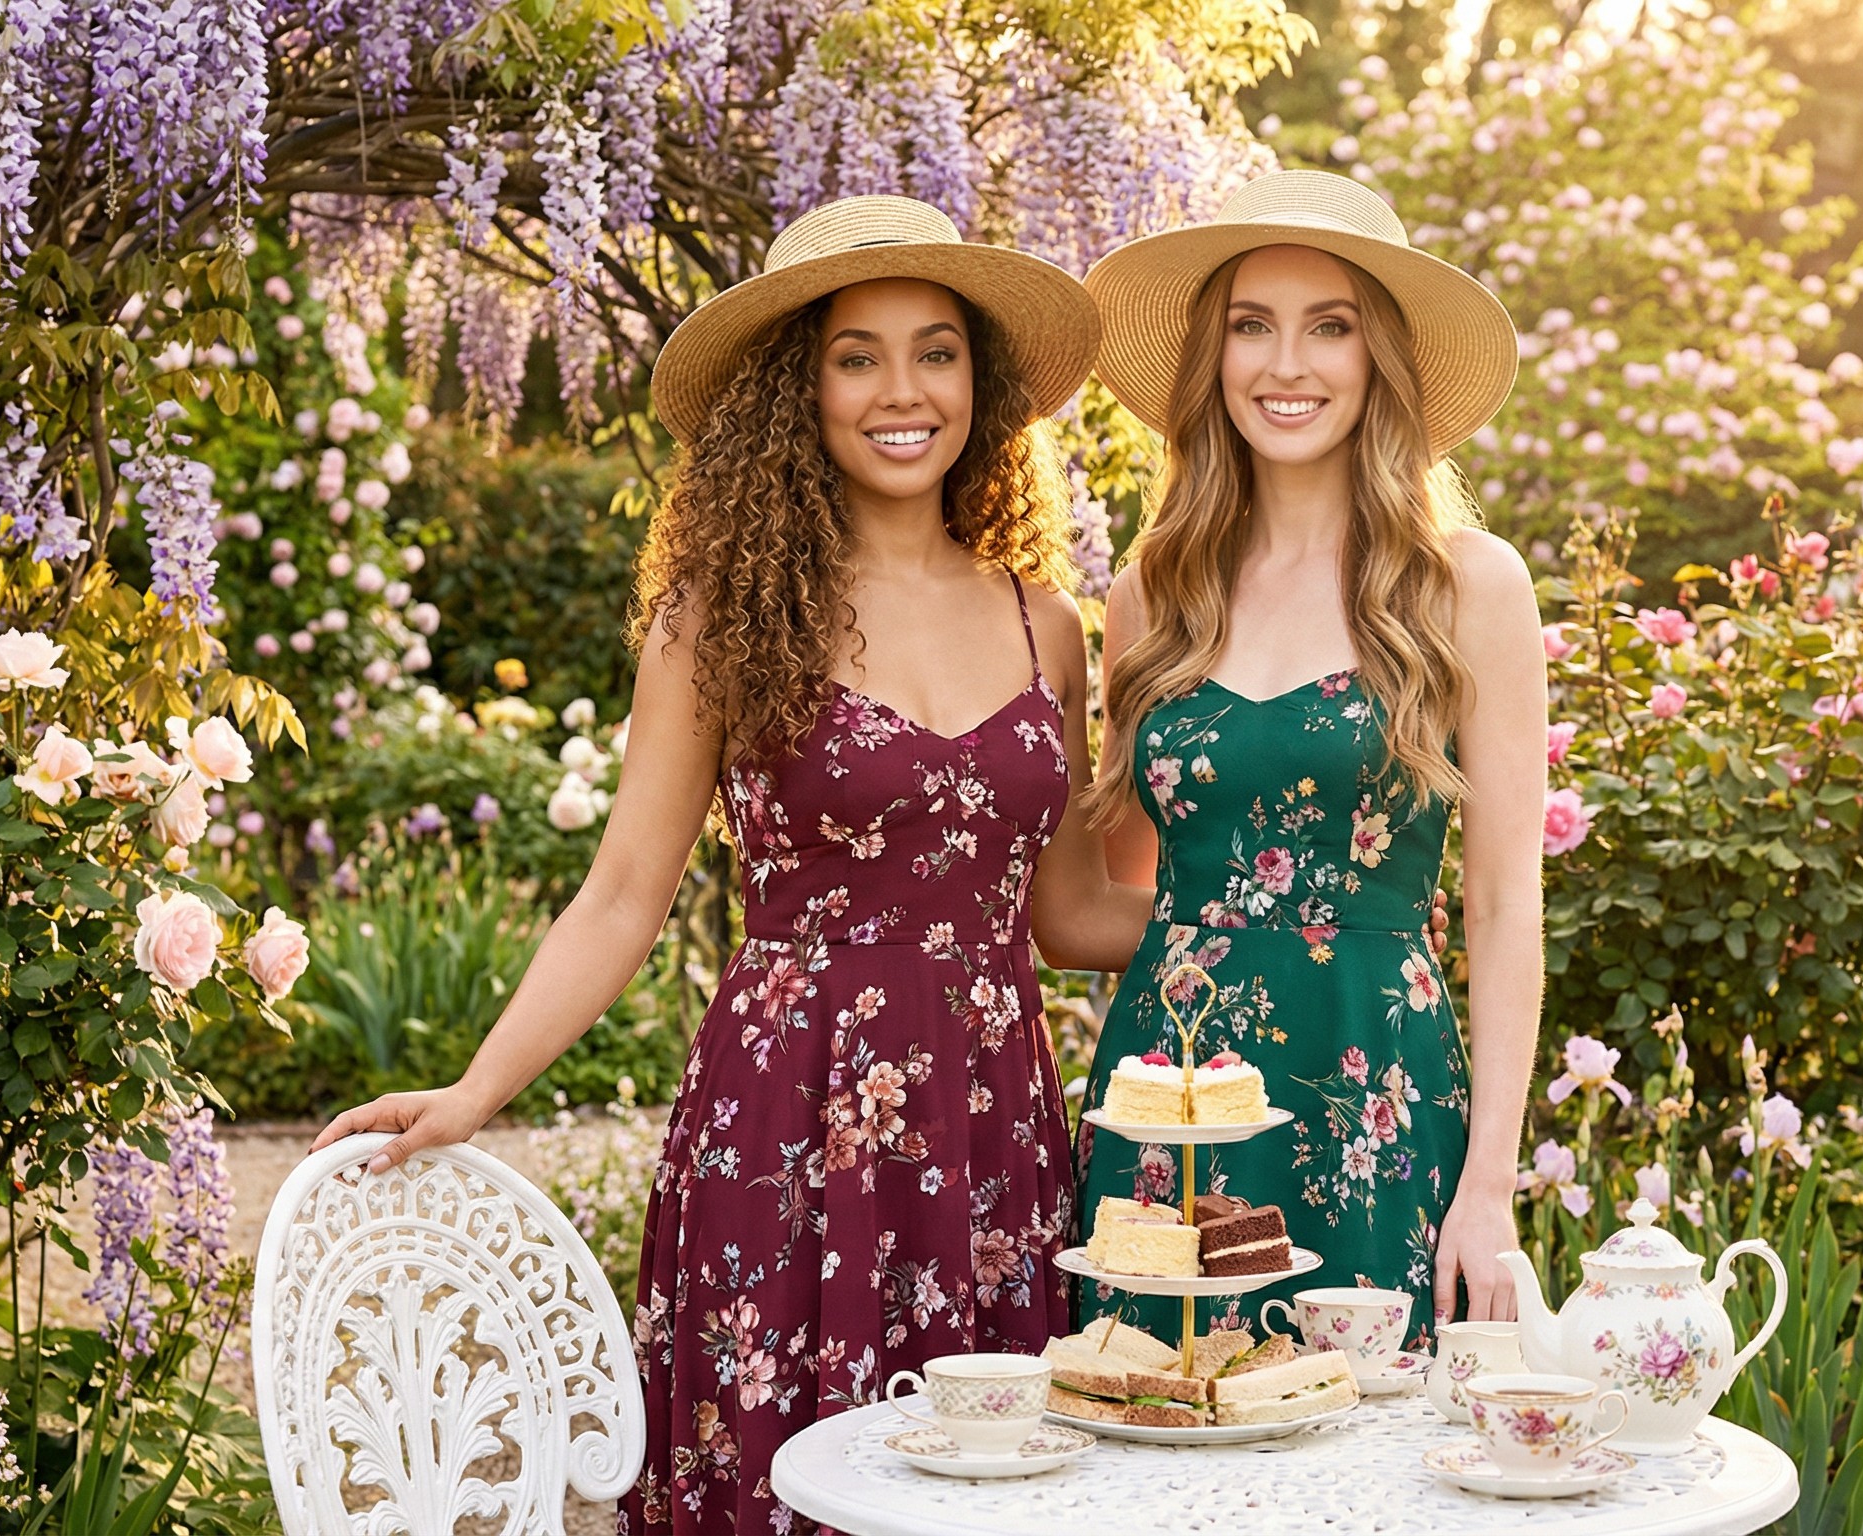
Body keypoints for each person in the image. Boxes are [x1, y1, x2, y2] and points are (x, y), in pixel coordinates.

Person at [312, 194, 1149, 1536]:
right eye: (856, 356)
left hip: (990, 1124)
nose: (903, 391)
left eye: (936, 352)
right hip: (788, 1120)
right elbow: (622, 894)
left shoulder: (1044, 621)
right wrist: (475, 1091)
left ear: (980, 386)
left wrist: (1276, 918)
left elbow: (1068, 912)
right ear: (795, 391)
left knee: (993, 1488)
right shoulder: (723, 616)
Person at [1071, 169, 1543, 1352]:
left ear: (1379, 357)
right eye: (1251, 326)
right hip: (1171, 1102)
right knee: (1151, 1414)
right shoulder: (1152, 596)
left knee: (1372, 1433)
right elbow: (1115, 893)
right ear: (1213, 357)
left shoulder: (1466, 585)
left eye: (1329, 327)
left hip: (1373, 1085)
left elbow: (1501, 905)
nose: (1287, 365)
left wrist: (1489, 1185)